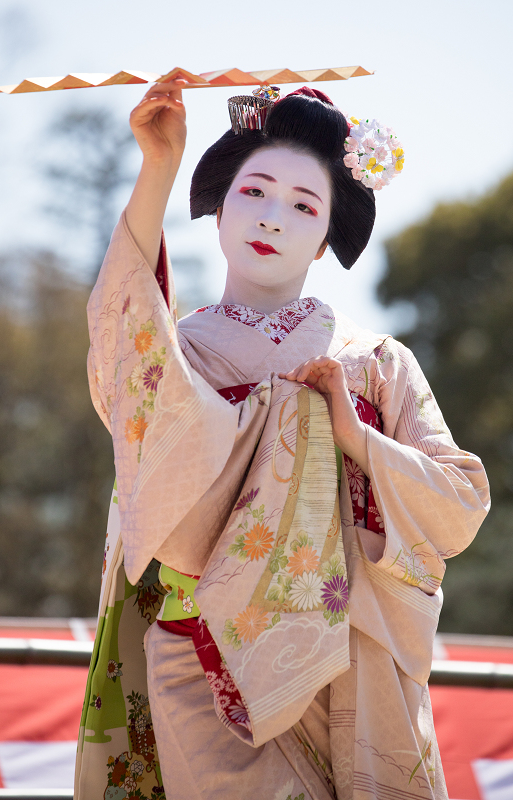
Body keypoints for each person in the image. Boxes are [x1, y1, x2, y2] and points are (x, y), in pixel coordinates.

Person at [75, 79, 490, 800]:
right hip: (206, 662)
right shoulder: (184, 355)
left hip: (356, 662)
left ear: (327, 235)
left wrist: (352, 435)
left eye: (304, 206)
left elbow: (459, 501)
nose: (273, 218)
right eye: (254, 191)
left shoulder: (377, 361)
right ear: (219, 205)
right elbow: (126, 349)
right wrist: (158, 167)